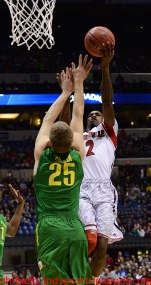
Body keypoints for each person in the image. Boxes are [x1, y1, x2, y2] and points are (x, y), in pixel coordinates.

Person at [59, 43, 124, 278]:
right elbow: (65, 124)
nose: (94, 114)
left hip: (104, 189)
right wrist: (67, 95)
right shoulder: (78, 136)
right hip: (82, 187)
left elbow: (107, 102)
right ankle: (70, 271)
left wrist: (105, 68)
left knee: (103, 246)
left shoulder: (109, 133)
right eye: (91, 113)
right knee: (89, 238)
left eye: (98, 113)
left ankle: (92, 280)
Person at [33, 54, 94, 284]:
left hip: (50, 227)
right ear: (71, 143)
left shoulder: (42, 154)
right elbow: (78, 113)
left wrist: (64, 91)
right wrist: (79, 83)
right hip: (75, 227)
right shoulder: (78, 153)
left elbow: (47, 120)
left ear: (49, 141)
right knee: (83, 281)